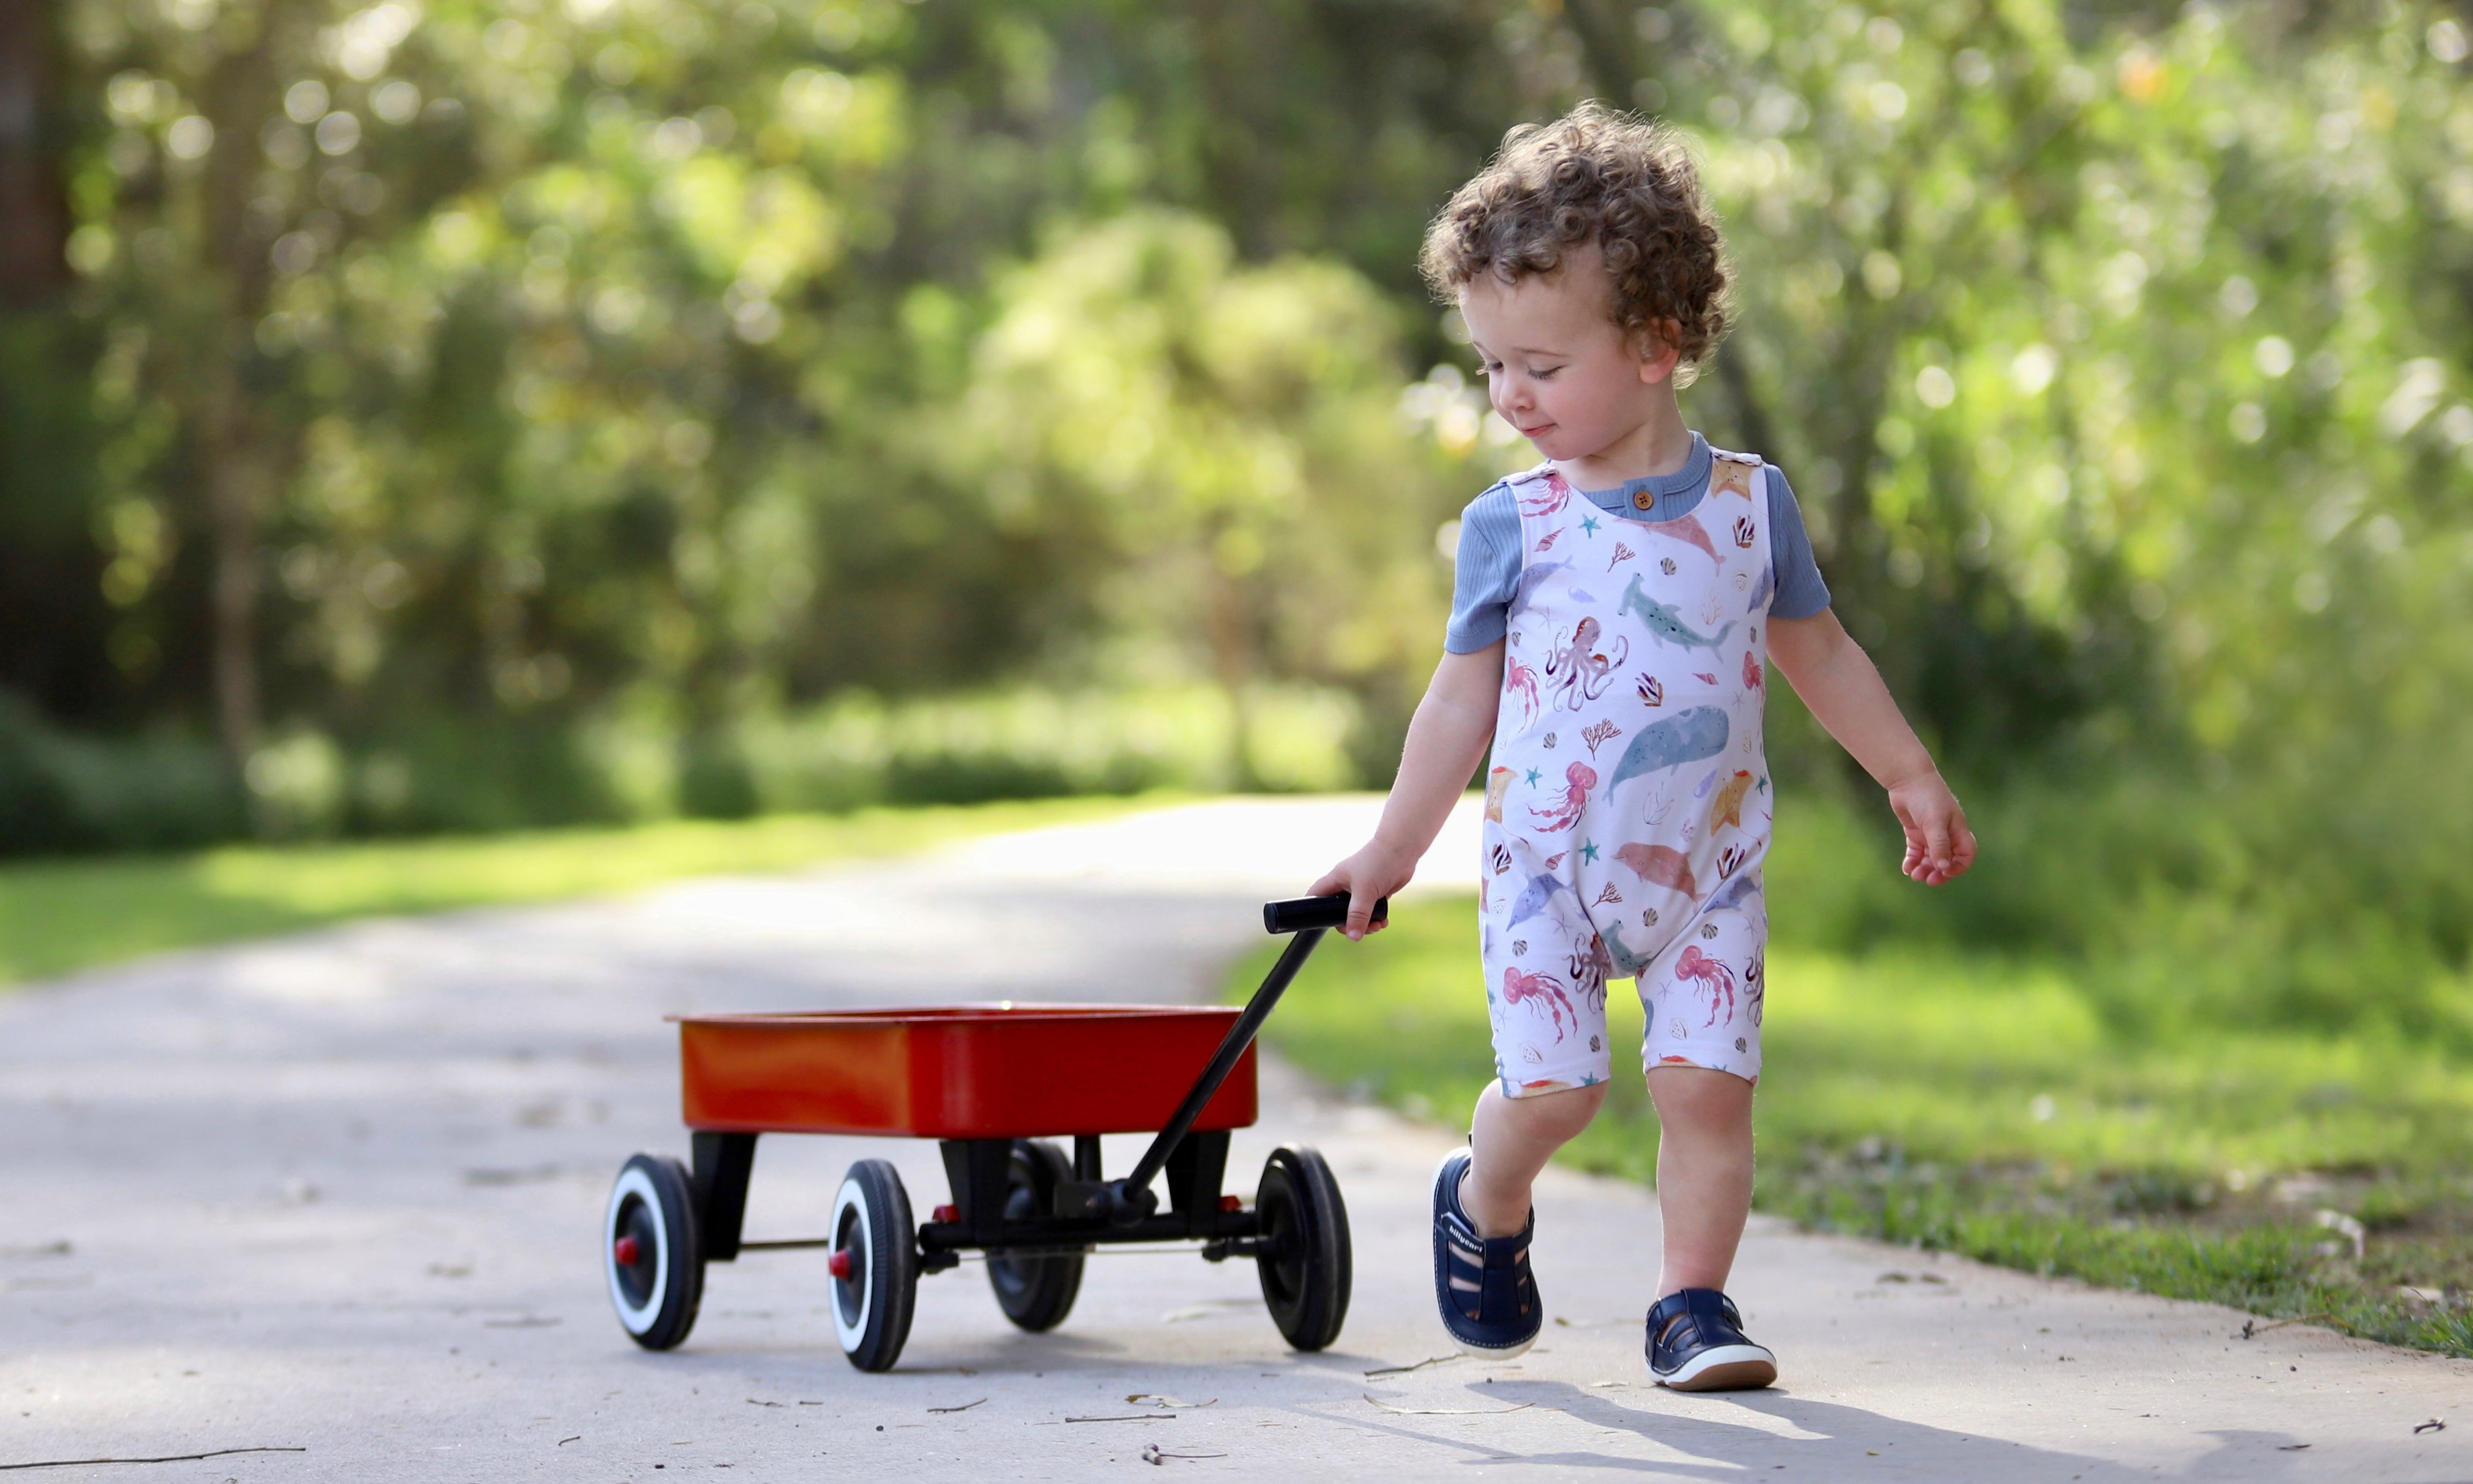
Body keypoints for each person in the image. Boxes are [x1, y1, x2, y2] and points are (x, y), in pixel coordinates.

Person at [1311, 103, 1977, 1392]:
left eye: (1541, 369)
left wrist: (1908, 771)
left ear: (1659, 344)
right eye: (1493, 366)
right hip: (1549, 876)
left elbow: (1819, 652)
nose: (1511, 396)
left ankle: (1693, 1308)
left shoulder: (1751, 505)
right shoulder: (1516, 524)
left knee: (1706, 1092)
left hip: (1708, 871)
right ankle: (1486, 1193)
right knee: (1556, 1095)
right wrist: (1388, 850)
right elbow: (1457, 707)